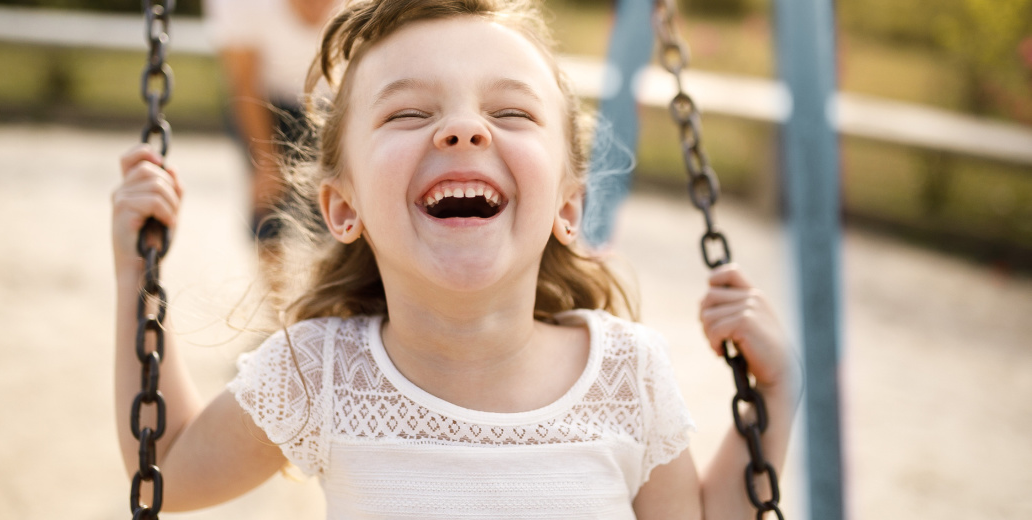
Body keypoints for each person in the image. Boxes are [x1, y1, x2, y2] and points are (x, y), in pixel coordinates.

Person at [110, 0, 802, 516]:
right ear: (342, 208)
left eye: (511, 114)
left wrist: (772, 393)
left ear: (569, 206)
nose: (465, 129)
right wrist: (136, 276)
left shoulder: (625, 373)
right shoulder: (321, 371)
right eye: (408, 114)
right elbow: (167, 466)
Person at [203, 0, 339, 238]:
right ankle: (272, 270)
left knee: (333, 204)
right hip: (266, 99)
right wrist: (265, 161)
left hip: (336, 98)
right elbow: (243, 83)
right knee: (268, 205)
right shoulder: (241, 5)